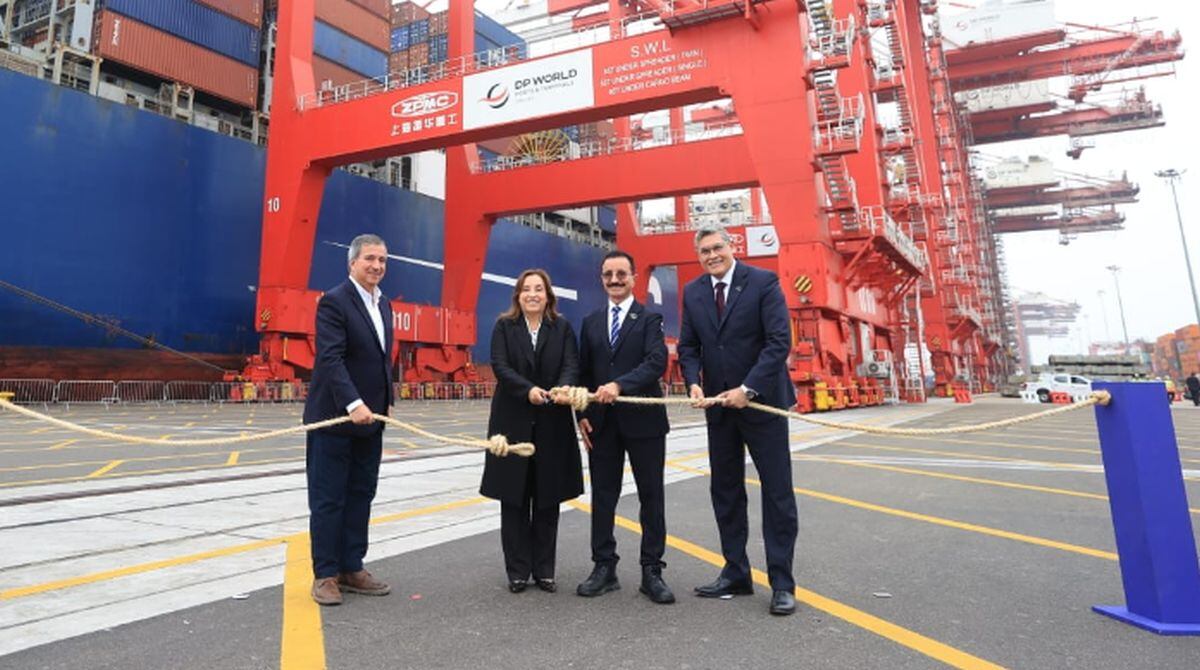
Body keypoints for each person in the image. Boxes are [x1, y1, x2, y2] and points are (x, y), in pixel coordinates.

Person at [677, 225, 799, 616]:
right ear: (698, 256)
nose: (712, 255)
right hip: (719, 407)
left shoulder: (763, 282)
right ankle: (736, 572)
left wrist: (748, 389)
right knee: (725, 490)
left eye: (717, 247)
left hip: (761, 404)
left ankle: (782, 583)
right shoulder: (694, 292)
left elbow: (778, 342)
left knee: (777, 493)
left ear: (732, 247)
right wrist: (693, 382)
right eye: (704, 251)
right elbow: (688, 346)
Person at [574, 250, 674, 604]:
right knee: (603, 497)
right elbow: (583, 372)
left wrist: (619, 385)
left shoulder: (650, 319)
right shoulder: (590, 322)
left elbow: (656, 362)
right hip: (601, 424)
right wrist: (582, 414)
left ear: (634, 277)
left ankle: (652, 571)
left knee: (652, 497)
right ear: (601, 279)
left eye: (621, 274)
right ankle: (604, 567)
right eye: (608, 274)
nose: (614, 280)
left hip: (644, 422)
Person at [303, 233, 395, 606]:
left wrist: (387, 401)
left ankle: (351, 566)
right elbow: (330, 358)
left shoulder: (384, 304)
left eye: (382, 260)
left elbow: (381, 360)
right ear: (352, 262)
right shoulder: (334, 302)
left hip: (371, 421)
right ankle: (326, 574)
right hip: (335, 420)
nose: (377, 266)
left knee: (361, 494)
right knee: (329, 498)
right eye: (370, 258)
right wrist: (353, 403)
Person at [480, 269, 583, 593]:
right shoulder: (504, 326)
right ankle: (517, 572)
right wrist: (528, 390)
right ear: (518, 295)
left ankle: (544, 570)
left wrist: (563, 386)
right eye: (527, 289)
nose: (533, 294)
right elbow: (500, 366)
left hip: (552, 422)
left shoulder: (562, 328)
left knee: (547, 499)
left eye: (539, 289)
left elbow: (571, 364)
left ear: (548, 295)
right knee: (513, 499)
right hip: (512, 421)